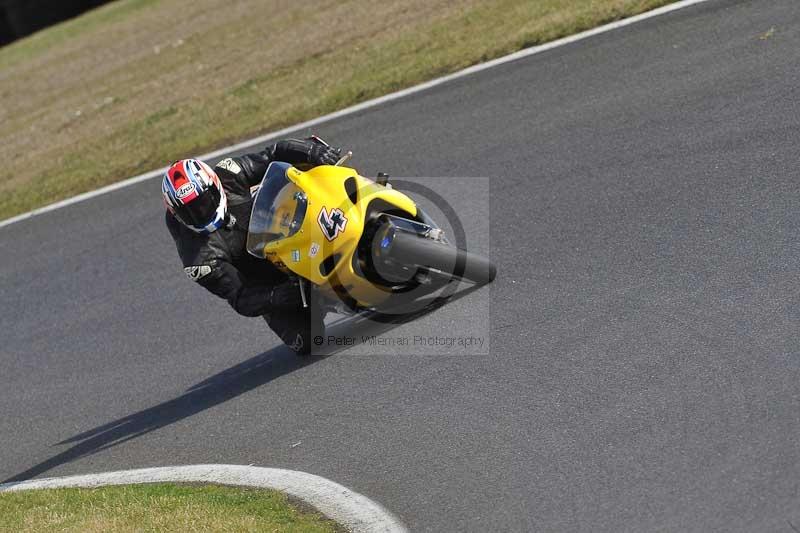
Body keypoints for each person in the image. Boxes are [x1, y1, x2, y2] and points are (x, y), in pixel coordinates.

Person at [163, 137, 342, 355]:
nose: (201, 212)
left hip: (288, 227)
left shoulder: (229, 173)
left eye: (203, 201)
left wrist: (313, 152)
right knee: (307, 341)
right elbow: (240, 297)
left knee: (312, 159)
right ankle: (315, 300)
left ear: (214, 184)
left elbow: (274, 152)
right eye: (190, 211)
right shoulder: (200, 260)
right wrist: (276, 295)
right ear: (177, 214)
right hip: (268, 280)